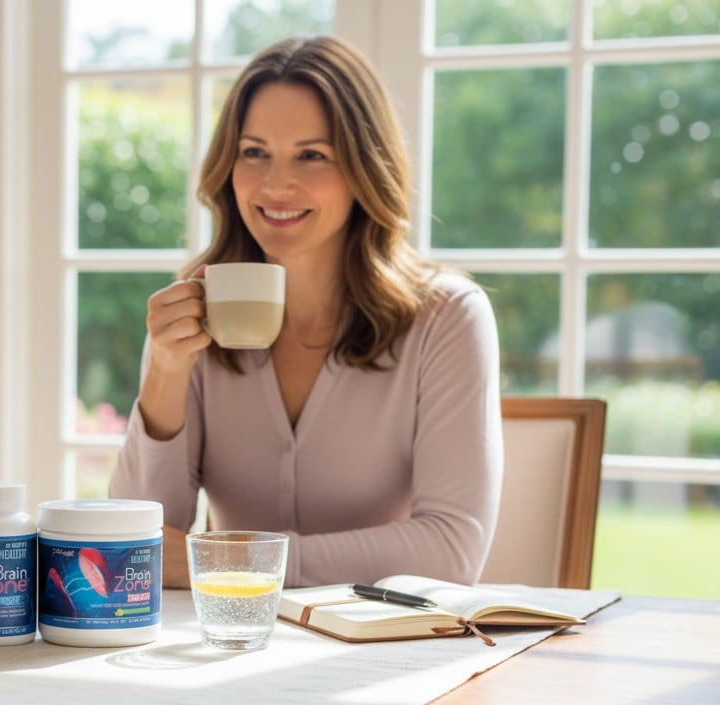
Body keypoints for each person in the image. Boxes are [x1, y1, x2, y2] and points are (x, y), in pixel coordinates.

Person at [107, 35, 503, 589]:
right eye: (254, 152)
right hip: (228, 642)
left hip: (385, 652)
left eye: (312, 155)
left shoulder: (447, 318)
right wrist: (165, 376)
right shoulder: (190, 312)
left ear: (365, 169)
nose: (276, 184)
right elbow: (135, 549)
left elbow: (451, 551)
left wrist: (237, 561)